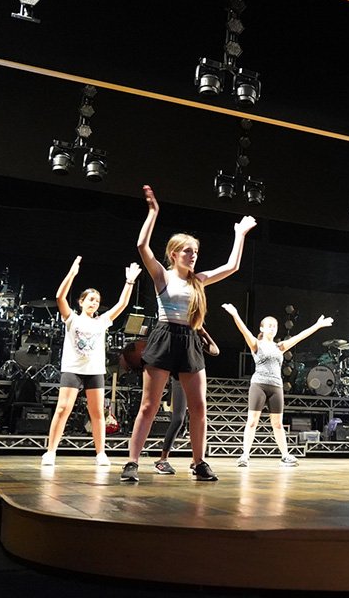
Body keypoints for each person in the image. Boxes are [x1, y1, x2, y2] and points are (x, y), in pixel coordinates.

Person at [121, 184, 256, 483]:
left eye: (195, 252)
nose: (193, 255)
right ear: (173, 253)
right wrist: (153, 212)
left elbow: (232, 266)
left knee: (198, 407)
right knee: (149, 405)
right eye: (187, 251)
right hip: (164, 336)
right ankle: (132, 462)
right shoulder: (162, 275)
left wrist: (240, 234)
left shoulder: (199, 280)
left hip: (189, 340)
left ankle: (199, 463)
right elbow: (143, 246)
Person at [41, 256, 140, 467]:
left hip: (94, 371)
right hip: (72, 369)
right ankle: (50, 452)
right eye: (90, 299)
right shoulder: (72, 319)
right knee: (62, 410)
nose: (94, 303)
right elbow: (60, 296)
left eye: (97, 300)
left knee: (97, 413)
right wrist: (72, 274)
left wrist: (129, 281)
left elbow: (122, 304)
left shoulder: (102, 321)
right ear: (81, 302)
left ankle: (100, 453)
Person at [221, 302, 334, 467]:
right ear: (262, 329)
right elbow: (243, 330)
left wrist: (318, 325)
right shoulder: (256, 344)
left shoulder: (279, 346)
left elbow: (300, 336)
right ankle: (245, 455)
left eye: (275, 326)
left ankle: (285, 455)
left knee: (278, 424)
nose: (273, 328)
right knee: (252, 421)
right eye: (269, 326)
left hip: (276, 387)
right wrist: (235, 314)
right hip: (259, 385)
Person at [152, 328, 220, 475]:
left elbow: (215, 351)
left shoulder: (197, 335)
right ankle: (162, 459)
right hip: (179, 378)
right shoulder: (181, 332)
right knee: (178, 418)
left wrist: (204, 333)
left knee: (200, 416)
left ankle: (197, 461)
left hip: (194, 375)